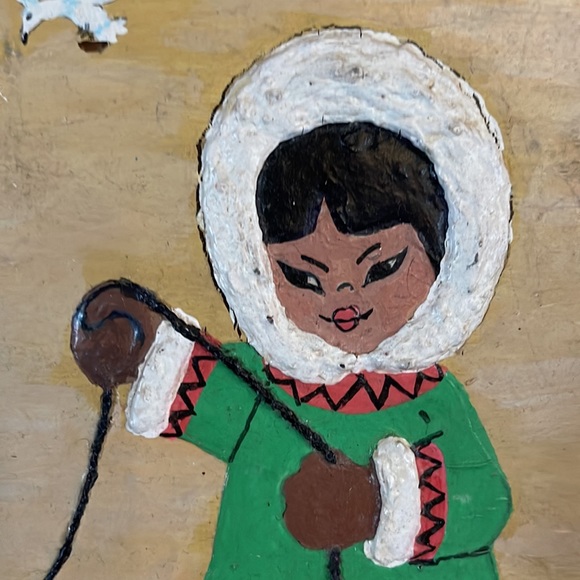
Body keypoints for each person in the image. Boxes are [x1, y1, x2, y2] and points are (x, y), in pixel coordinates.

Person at [71, 29, 513, 579]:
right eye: (303, 276)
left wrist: (377, 503)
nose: (343, 298)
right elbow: (196, 387)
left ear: (443, 253)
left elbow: (486, 500)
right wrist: (137, 345)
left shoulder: (434, 402)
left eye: (381, 268)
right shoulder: (264, 383)